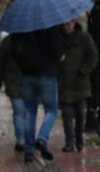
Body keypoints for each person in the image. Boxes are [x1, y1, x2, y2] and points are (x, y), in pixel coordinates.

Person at [13, 24, 66, 163]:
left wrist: (22, 64)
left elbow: (14, 49)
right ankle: (42, 138)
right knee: (52, 110)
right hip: (47, 74)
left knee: (29, 111)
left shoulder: (22, 26)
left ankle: (29, 150)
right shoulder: (50, 25)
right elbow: (57, 50)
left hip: (27, 74)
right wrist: (61, 56)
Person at [58, 19, 97, 153]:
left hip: (80, 83)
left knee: (80, 114)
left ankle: (79, 138)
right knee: (67, 115)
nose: (66, 26)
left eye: (69, 24)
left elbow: (93, 56)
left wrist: (84, 70)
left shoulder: (84, 38)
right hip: (64, 83)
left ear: (74, 23)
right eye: (64, 24)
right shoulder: (58, 38)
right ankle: (69, 142)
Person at [0, 35, 26, 154]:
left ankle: (21, 139)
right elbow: (0, 62)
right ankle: (24, 139)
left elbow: (0, 62)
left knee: (19, 111)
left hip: (15, 81)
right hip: (24, 81)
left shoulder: (7, 41)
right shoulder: (33, 38)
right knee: (25, 111)